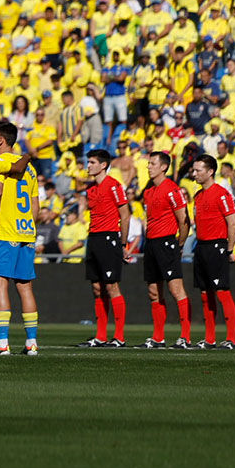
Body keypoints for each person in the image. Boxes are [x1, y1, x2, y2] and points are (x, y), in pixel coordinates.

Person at [0, 121, 42, 356]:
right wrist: (29, 229)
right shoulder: (31, 169)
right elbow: (35, 205)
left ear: (1, 140)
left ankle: (2, 342)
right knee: (25, 287)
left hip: (5, 232)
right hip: (26, 232)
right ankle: (31, 342)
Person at [138, 151, 194, 348]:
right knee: (153, 291)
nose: (149, 166)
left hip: (167, 242)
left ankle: (185, 336)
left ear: (163, 167)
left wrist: (179, 243)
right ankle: (158, 337)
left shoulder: (172, 189)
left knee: (175, 289)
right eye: (149, 163)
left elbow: (184, 220)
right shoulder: (149, 192)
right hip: (151, 244)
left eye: (152, 163)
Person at [187, 154, 235, 349]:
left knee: (222, 291)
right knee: (204, 293)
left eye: (198, 170)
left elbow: (232, 223)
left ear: (210, 172)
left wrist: (229, 249)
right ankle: (209, 339)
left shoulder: (221, 194)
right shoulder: (198, 196)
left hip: (217, 245)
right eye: (194, 170)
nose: (194, 174)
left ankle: (232, 339)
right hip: (201, 247)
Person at [79, 148, 131, 347]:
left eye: (92, 162)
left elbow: (125, 215)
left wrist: (123, 243)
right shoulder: (90, 189)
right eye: (88, 162)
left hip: (109, 237)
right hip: (93, 238)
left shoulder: (114, 186)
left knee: (111, 286)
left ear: (103, 165)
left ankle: (119, 337)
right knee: (96, 287)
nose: (88, 165)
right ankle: (100, 336)